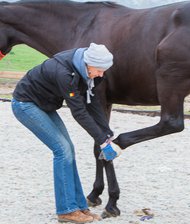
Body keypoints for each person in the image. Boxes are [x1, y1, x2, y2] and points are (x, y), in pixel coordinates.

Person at [11, 43, 121, 223]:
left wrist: (106, 132)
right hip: (26, 104)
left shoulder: (89, 70)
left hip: (44, 105)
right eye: (99, 70)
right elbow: (79, 112)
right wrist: (101, 140)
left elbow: (91, 100)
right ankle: (66, 210)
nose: (102, 74)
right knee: (62, 150)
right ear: (88, 63)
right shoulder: (65, 73)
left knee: (69, 149)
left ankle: (79, 206)